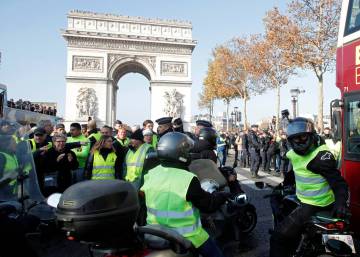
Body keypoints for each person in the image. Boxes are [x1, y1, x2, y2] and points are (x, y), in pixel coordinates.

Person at [269, 117, 349, 257]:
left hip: (315, 204)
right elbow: (297, 171)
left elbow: (338, 182)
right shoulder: (294, 154)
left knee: (278, 237)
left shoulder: (321, 157)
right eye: (296, 139)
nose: (300, 142)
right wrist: (284, 184)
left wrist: (341, 203)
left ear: (312, 136)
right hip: (308, 201)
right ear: (290, 141)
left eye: (303, 137)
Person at [140, 132, 228, 257]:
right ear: (179, 154)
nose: (189, 153)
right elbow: (208, 205)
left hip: (155, 233)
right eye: (187, 151)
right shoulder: (188, 179)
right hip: (186, 236)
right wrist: (222, 196)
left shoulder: (151, 173)